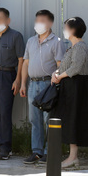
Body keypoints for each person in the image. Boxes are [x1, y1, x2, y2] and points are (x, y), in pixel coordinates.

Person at [19, 10, 64, 164]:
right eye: (37, 20)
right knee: (34, 120)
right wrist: (23, 83)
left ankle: (49, 152)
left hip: (48, 84)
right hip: (32, 83)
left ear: (50, 23)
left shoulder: (56, 41)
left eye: (42, 20)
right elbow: (26, 62)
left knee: (48, 119)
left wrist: (55, 79)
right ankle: (36, 152)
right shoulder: (31, 41)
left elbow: (60, 64)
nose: (38, 23)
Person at [51, 17, 88, 168]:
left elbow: (76, 67)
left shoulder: (80, 47)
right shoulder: (72, 47)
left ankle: (73, 157)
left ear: (73, 30)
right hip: (70, 87)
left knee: (74, 119)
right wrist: (56, 73)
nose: (64, 30)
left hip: (77, 87)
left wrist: (60, 76)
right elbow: (65, 66)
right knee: (69, 120)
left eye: (66, 27)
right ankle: (71, 156)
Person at [0, 8, 25, 160]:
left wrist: (18, 80)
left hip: (8, 75)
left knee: (5, 112)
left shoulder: (16, 36)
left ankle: (6, 147)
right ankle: (0, 143)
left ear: (8, 20)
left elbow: (21, 59)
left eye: (0, 19)